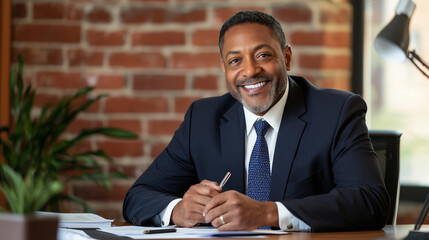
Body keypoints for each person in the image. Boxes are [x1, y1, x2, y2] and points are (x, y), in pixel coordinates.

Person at [123, 10, 389, 232]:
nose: (250, 71)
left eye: (263, 55)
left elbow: (370, 201)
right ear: (225, 69)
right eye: (235, 60)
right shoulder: (202, 119)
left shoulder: (337, 111)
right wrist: (179, 210)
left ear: (286, 58)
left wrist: (266, 213)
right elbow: (138, 197)